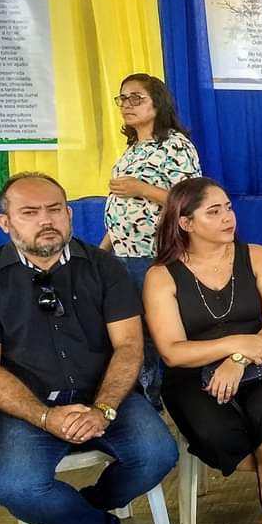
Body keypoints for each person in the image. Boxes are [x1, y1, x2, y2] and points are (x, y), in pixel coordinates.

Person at [0, 173, 178, 524]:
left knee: (157, 455)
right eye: (30, 212)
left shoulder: (102, 267)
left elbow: (130, 345)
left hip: (105, 396)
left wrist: (103, 409)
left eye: (55, 210)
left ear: (70, 214)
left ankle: (79, 520)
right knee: (17, 487)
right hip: (30, 407)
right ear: (6, 223)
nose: (46, 220)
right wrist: (45, 416)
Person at [143, 178, 262, 524]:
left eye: (228, 208)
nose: (228, 217)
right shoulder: (161, 276)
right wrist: (234, 343)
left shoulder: (257, 256)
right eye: (213, 212)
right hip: (193, 373)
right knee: (216, 434)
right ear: (186, 223)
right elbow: (172, 350)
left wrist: (239, 358)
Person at [102, 73, 202, 409]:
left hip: (153, 256)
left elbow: (191, 199)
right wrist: (104, 250)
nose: (127, 105)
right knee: (128, 329)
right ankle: (139, 397)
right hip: (122, 255)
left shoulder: (174, 145)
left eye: (136, 98)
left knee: (151, 332)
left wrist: (141, 189)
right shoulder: (133, 149)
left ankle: (152, 402)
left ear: (157, 103)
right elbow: (123, 208)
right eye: (122, 99)